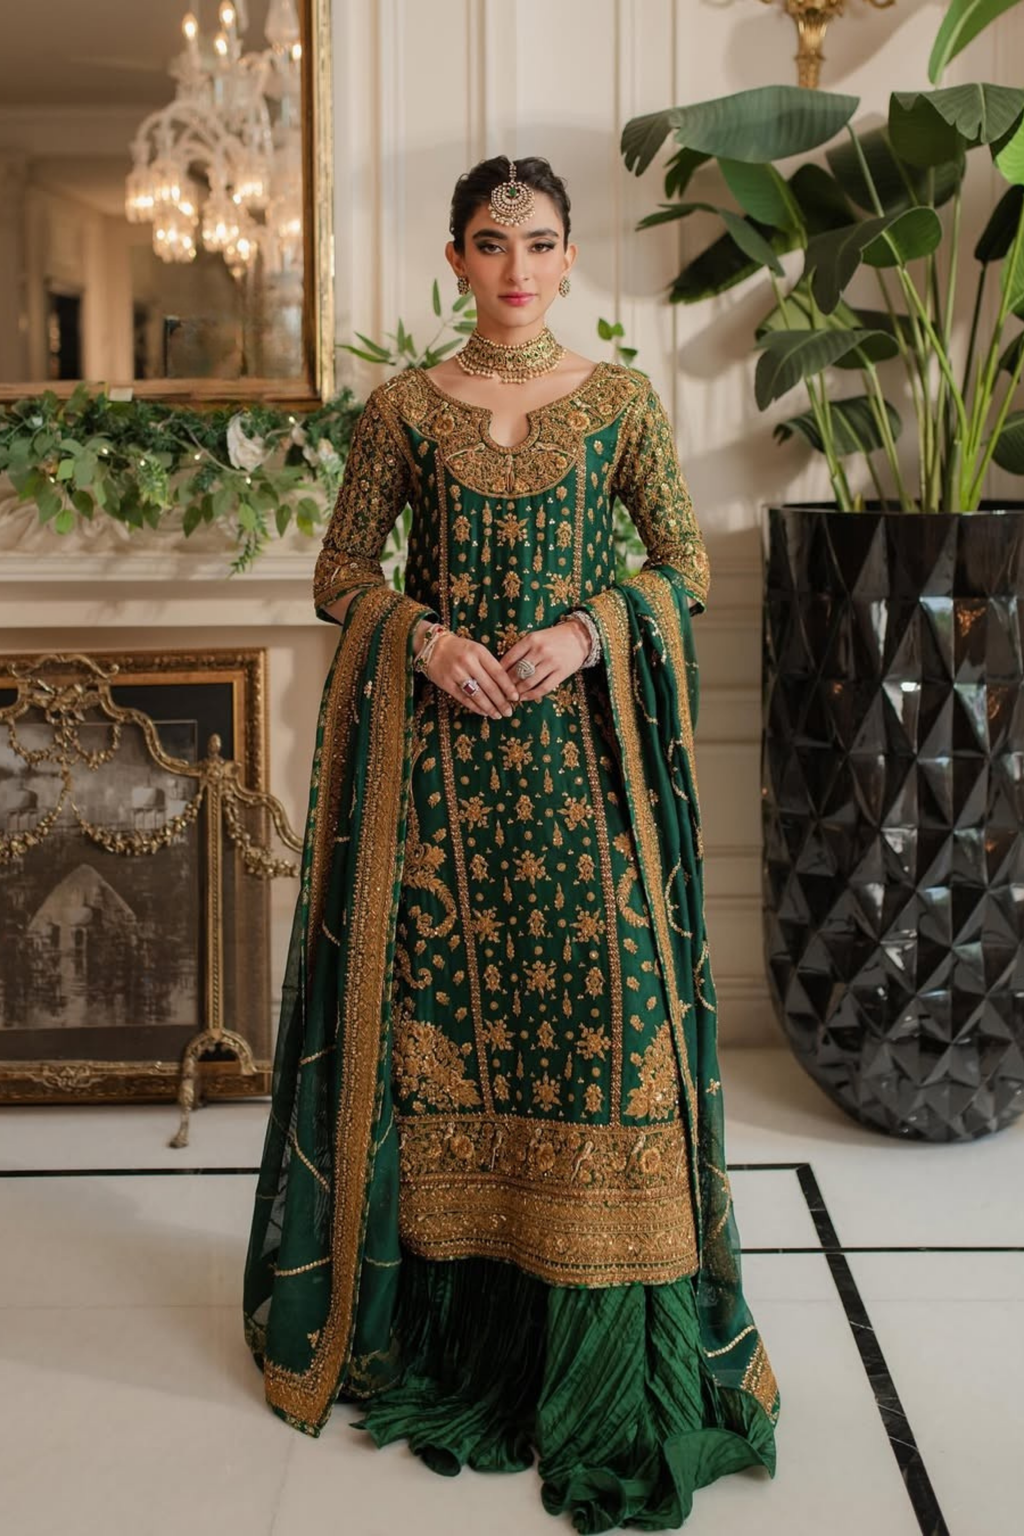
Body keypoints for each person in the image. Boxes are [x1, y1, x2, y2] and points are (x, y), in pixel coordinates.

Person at [243, 154, 780, 1532]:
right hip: (441, 795)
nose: (518, 270)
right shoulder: (403, 413)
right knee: (449, 1044)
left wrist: (591, 630)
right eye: (492, 245)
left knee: (609, 1020)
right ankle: (460, 1343)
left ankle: (609, 1370)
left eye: (540, 244)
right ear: (454, 258)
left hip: (583, 770)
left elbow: (688, 564)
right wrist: (417, 636)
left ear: (571, 255)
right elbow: (340, 573)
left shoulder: (619, 405)